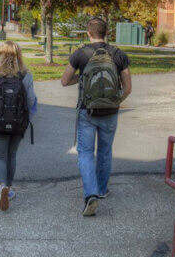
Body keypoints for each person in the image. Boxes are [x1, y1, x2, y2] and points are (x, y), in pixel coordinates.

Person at [60, 17, 132, 217]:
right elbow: (128, 88)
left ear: (88, 33)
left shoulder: (80, 54)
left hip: (87, 110)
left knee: (85, 152)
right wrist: (116, 100)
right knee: (105, 151)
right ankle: (101, 190)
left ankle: (90, 194)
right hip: (110, 111)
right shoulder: (118, 55)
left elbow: (64, 81)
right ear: (106, 32)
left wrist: (81, 78)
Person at [0, 40, 36, 211]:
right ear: (19, 56)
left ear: (1, 55)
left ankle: (2, 187)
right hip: (18, 122)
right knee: (11, 155)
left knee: (0, 156)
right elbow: (30, 101)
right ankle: (10, 188)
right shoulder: (25, 76)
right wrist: (27, 117)